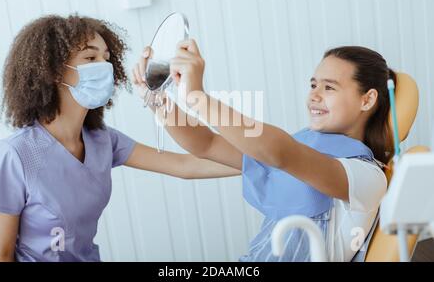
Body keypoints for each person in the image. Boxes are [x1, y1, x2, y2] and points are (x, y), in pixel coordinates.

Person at [0, 15, 240, 262]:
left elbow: (186, 166)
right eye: (90, 57)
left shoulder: (103, 141)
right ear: (54, 71)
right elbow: (1, 255)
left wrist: (261, 160)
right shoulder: (16, 154)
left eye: (107, 58)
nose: (104, 67)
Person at [133, 40, 393, 261]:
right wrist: (155, 99)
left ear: (367, 99)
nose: (314, 95)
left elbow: (281, 153)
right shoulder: (301, 146)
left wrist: (198, 97)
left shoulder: (365, 175)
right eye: (313, 85)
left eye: (329, 87)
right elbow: (205, 144)